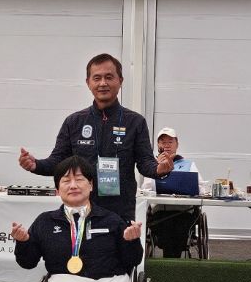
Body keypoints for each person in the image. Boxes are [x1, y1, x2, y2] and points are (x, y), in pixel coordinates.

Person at [18, 52, 171, 222]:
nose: (103, 83)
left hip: (120, 210)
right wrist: (36, 165)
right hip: (81, 207)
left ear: (120, 80)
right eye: (97, 78)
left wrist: (159, 170)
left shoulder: (135, 122)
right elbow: (57, 162)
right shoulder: (74, 122)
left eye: (109, 77)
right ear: (88, 83)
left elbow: (145, 162)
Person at [12, 155, 144, 282]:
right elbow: (28, 263)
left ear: (91, 185)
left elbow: (133, 260)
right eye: (66, 181)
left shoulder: (112, 220)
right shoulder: (45, 221)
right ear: (57, 189)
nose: (73, 185)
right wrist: (23, 242)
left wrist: (132, 242)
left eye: (79, 179)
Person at [142, 127, 203, 258]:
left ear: (177, 144)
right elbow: (145, 189)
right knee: (167, 226)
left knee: (180, 226)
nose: (167, 145)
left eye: (170, 142)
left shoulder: (189, 164)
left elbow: (201, 188)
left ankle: (171, 262)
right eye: (163, 142)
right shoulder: (152, 165)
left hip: (184, 211)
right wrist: (157, 167)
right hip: (160, 213)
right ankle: (171, 262)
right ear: (158, 145)